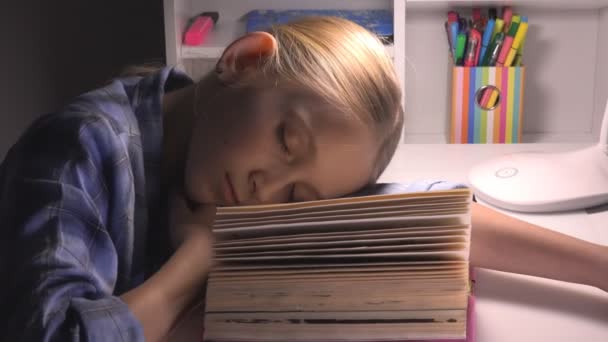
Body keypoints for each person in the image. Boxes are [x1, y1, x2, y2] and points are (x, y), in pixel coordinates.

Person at [0, 16, 605, 342]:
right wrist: (197, 261)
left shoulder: (241, 168)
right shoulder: (76, 150)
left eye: (301, 199)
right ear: (243, 60)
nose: (269, 189)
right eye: (287, 140)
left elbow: (431, 216)